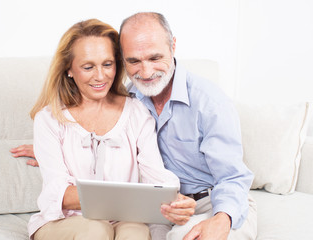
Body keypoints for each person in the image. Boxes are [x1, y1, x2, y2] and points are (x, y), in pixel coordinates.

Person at [13, 12, 257, 240]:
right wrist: (57, 151)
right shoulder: (136, 95)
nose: (146, 71)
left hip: (210, 200)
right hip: (145, 209)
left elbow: (229, 177)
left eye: (154, 57)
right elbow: (58, 184)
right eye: (134, 61)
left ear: (173, 46)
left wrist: (221, 218)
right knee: (101, 230)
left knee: (140, 233)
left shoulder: (200, 102)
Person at [26, 18, 183, 240]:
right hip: (65, 221)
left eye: (107, 64)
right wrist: (129, 197)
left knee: (136, 232)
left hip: (122, 218)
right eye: (88, 67)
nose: (100, 76)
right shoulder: (50, 119)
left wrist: (173, 198)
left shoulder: (137, 112)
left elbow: (157, 178)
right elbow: (57, 192)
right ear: (69, 69)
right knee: (96, 230)